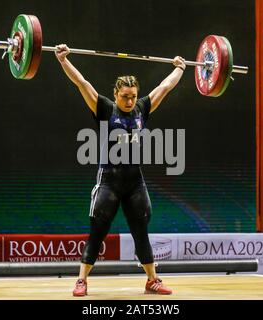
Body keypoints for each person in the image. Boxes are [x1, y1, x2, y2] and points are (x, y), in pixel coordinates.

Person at [55, 44, 186, 297]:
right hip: (109, 182)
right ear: (115, 94)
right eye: (125, 96)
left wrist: (180, 68)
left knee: (141, 233)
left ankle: (152, 280)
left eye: (133, 96)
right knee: (97, 232)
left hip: (135, 182)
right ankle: (81, 280)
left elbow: (165, 87)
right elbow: (81, 83)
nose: (129, 101)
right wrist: (63, 60)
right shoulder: (105, 109)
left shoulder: (141, 109)